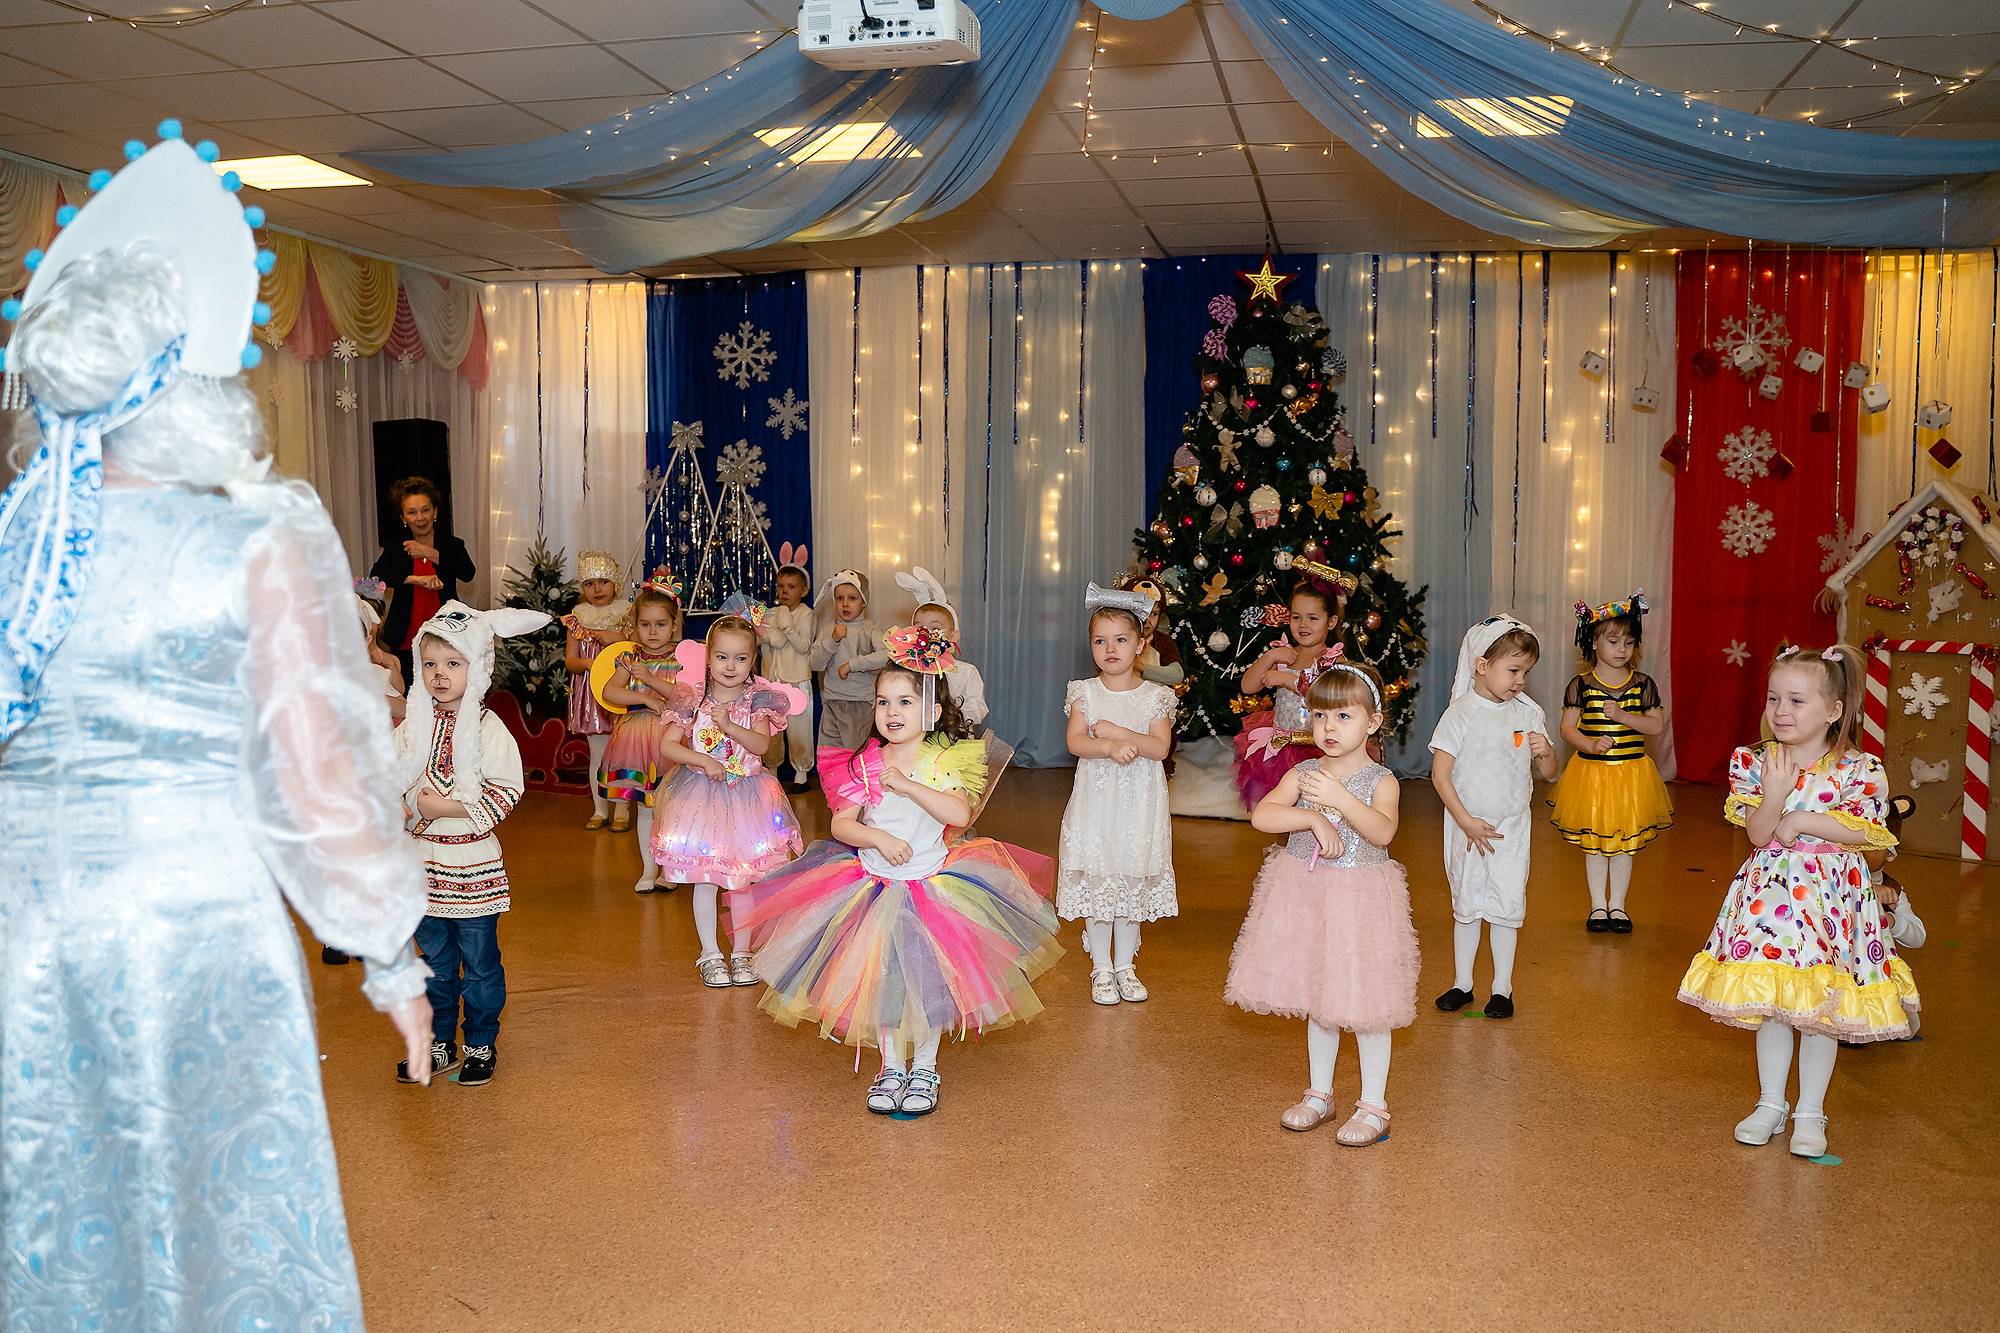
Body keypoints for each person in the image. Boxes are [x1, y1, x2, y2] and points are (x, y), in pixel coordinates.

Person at [0, 135, 431, 1327]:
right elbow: (315, 772)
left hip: (25, 923)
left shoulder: (14, 547)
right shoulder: (255, 539)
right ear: (195, 380)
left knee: (54, 1195)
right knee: (219, 1201)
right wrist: (389, 955)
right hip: (191, 922)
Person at [733, 626, 1061, 1117]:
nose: (891, 713)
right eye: (884, 702)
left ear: (931, 712)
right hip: (867, 888)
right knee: (882, 981)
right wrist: (881, 838)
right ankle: (890, 1067)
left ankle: (925, 1067)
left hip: (933, 891)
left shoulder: (945, 759)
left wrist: (908, 787)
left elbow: (959, 815)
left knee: (926, 983)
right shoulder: (862, 764)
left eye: (905, 702)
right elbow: (844, 824)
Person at [1676, 644, 1919, 1160]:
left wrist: (1803, 819)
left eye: (1796, 700)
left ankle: (1811, 1110)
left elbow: (1868, 833)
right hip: (1773, 902)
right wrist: (1773, 797)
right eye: (1773, 699)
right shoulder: (1759, 762)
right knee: (1775, 1009)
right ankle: (1770, 1104)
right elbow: (1759, 835)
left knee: (1820, 1010)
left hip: (1832, 903)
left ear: (1834, 710)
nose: (1780, 711)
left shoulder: (1860, 769)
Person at [1227, 654, 1416, 1146]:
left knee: (1365, 1001)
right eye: (1320, 715)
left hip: (1359, 899)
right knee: (1320, 997)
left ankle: (1374, 1105)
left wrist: (1339, 802)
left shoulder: (1381, 781)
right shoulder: (1306, 772)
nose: (1328, 727)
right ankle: (1320, 1094)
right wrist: (1311, 818)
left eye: (1344, 716)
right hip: (1307, 896)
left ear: (1373, 721)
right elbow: (1264, 817)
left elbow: (1383, 831)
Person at [394, 602, 547, 1087]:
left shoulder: (487, 728)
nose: (440, 675)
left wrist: (443, 808)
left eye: (453, 664)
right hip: (421, 866)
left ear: (477, 668)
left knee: (479, 963)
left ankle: (481, 1042)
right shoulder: (413, 727)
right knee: (435, 963)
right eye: (432, 664)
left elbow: (506, 789)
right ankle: (439, 1043)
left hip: (471, 863)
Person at [651, 611, 808, 987]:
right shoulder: (692, 697)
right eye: (722, 657)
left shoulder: (758, 700)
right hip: (701, 799)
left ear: (754, 660)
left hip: (748, 800)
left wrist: (728, 725)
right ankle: (709, 954)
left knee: (741, 880)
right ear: (709, 657)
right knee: (704, 877)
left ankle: (741, 952)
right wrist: (703, 760)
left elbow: (760, 744)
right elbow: (668, 745)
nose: (730, 666)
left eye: (741, 658)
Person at [1429, 615, 1557, 1019]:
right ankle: (1462, 983)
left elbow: (1551, 772)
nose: (1520, 680)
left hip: (1511, 829)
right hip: (1467, 826)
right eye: (1513, 670)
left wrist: (1545, 753)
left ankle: (1502, 987)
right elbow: (1440, 774)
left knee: (1506, 905)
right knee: (1466, 905)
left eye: (1526, 672)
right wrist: (1465, 820)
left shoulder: (1527, 713)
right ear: (1482, 665)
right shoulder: (1460, 713)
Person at [1057, 583, 1178, 1005]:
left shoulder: (1156, 696)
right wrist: (1107, 746)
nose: (1110, 649)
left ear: (1141, 644)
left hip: (1139, 807)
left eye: (1121, 640)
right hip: (1098, 804)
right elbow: (1076, 742)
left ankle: (1125, 965)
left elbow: (1159, 747)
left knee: (1130, 881)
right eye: (1100, 641)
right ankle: (1101, 969)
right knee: (1100, 880)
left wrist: (1124, 734)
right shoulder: (1085, 692)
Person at [1548, 591, 1673, 933]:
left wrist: (1622, 715)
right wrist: (1590, 743)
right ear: (1593, 643)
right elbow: (1566, 729)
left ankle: (1618, 905)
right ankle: (1597, 907)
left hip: (1631, 773)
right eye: (1613, 641)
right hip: (1592, 774)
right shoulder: (1582, 686)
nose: (1622, 649)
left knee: (1623, 845)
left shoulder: (1644, 685)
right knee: (1596, 843)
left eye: (1629, 642)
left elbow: (1657, 726)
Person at [1233, 560, 1356, 809]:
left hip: (1319, 748)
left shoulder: (1333, 659)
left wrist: (1284, 679)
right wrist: (1269, 658)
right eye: (1296, 617)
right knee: (1281, 807)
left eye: (1313, 618)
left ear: (1330, 622)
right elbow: (1247, 687)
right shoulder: (1284, 653)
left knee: (1317, 807)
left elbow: (1324, 696)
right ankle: (1281, 849)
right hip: (1282, 747)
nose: (1303, 625)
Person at [593, 569, 684, 891]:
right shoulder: (628, 657)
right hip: (635, 740)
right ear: (635, 627)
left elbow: (686, 695)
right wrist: (646, 698)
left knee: (670, 808)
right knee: (645, 807)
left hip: (672, 741)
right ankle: (648, 869)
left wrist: (651, 682)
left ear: (674, 624)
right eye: (645, 625)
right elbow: (610, 692)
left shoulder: (682, 657)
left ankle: (669, 869)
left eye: (661, 624)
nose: (653, 631)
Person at [369, 473, 475, 685]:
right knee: (408, 692)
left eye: (425, 510)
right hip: (405, 633)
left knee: (445, 688)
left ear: (435, 511)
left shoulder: (451, 544)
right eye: (412, 512)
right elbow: (376, 576)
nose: (420, 518)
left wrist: (429, 552)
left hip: (446, 632)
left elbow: (468, 573)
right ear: (403, 518)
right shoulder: (397, 546)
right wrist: (415, 579)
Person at [562, 549, 631, 829]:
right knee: (598, 756)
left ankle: (623, 809)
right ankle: (600, 810)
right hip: (591, 696)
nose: (597, 589)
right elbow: (570, 660)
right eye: (589, 584)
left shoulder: (626, 615)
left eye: (603, 581)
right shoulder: (578, 619)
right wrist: (590, 663)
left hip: (620, 693)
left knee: (624, 753)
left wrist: (615, 638)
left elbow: (634, 648)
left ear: (615, 582)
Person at [893, 565, 988, 726]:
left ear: (953, 636)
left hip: (955, 741)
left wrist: (953, 716)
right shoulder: (906, 669)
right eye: (920, 628)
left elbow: (978, 707)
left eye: (935, 628)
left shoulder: (967, 672)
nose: (927, 634)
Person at [760, 542, 818, 791]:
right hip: (771, 679)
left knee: (799, 730)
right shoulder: (770, 613)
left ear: (803, 590)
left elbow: (804, 646)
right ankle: (771, 770)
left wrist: (785, 627)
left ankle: (801, 773)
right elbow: (764, 640)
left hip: (796, 680)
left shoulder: (806, 614)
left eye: (791, 587)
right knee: (771, 729)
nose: (785, 591)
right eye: (781, 586)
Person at [809, 567, 884, 750]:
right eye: (839, 598)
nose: (845, 604)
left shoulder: (870, 629)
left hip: (861, 705)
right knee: (829, 756)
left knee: (856, 756)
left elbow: (886, 656)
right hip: (832, 702)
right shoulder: (828, 629)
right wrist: (832, 641)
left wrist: (853, 665)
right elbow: (814, 663)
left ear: (864, 602)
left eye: (852, 598)